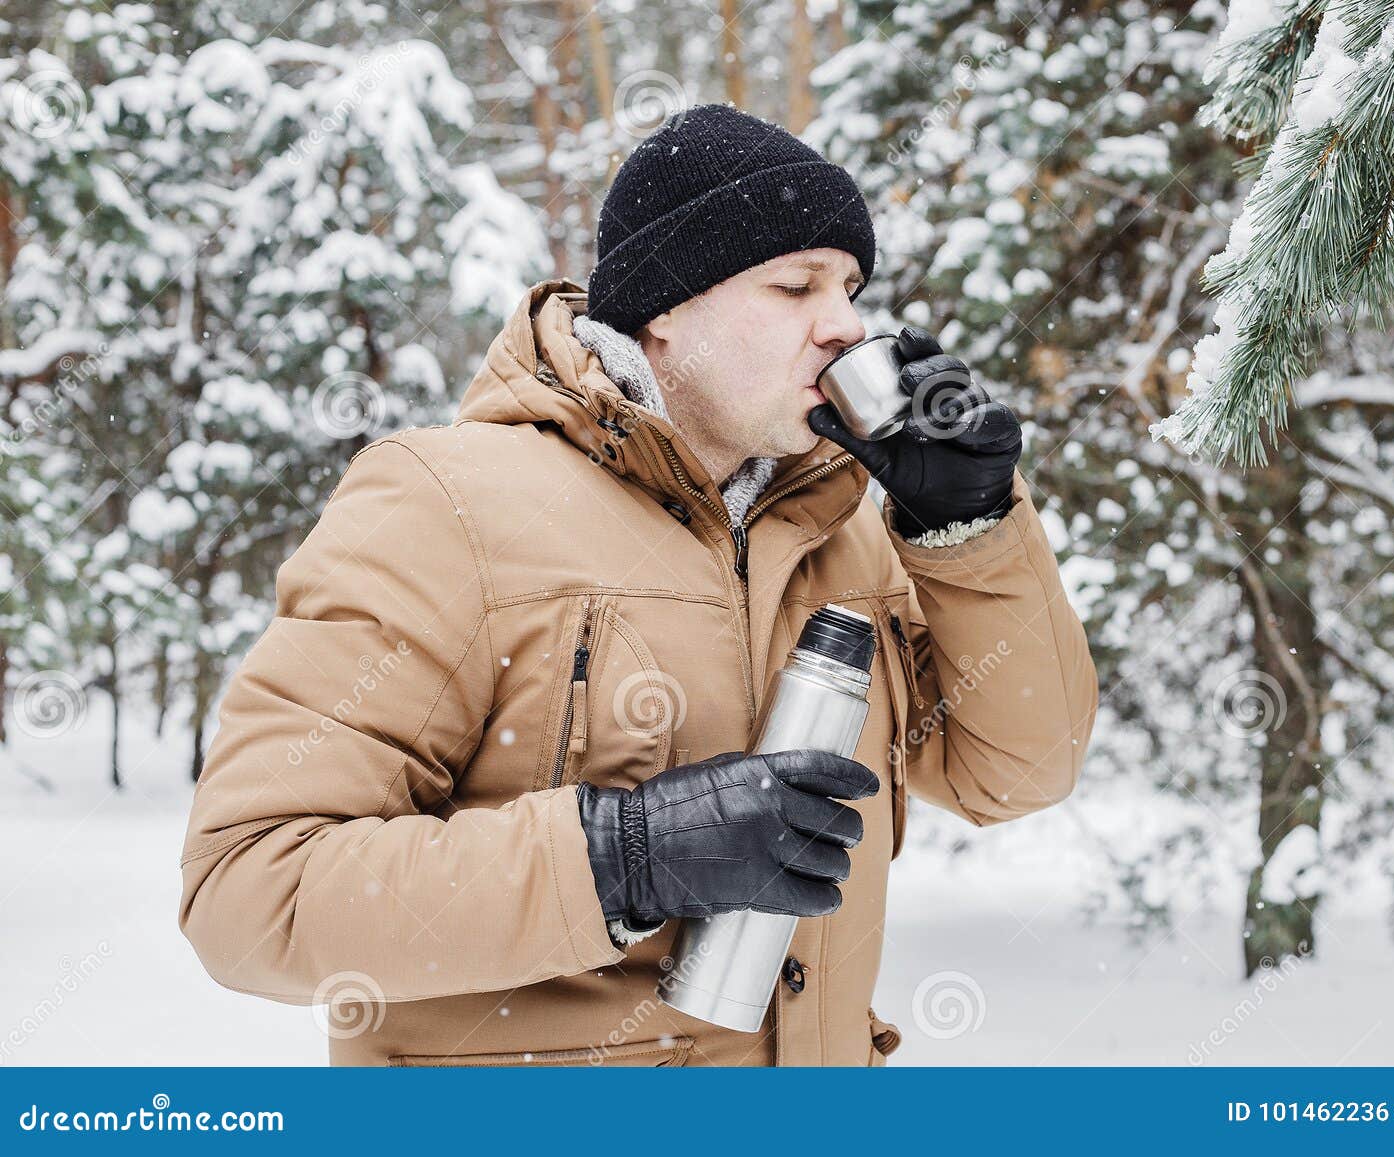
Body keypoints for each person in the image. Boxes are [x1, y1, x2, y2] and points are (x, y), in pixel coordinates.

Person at [178, 102, 1098, 1066]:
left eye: (852, 286)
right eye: (795, 286)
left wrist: (972, 527)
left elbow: (1020, 772)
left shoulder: (842, 531)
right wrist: (620, 857)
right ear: (664, 307)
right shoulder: (446, 502)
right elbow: (247, 893)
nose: (847, 325)